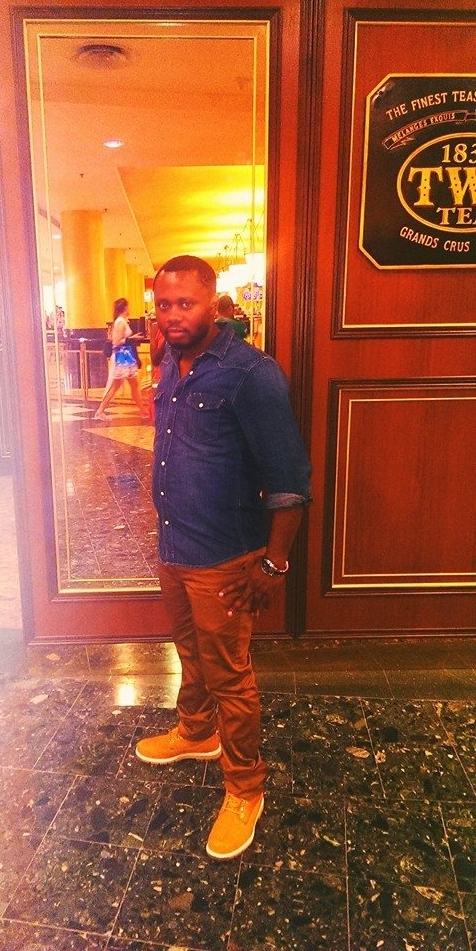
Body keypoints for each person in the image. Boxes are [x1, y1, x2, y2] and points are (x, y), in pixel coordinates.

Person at [135, 255, 312, 860]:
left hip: (224, 555)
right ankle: (195, 730)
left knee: (230, 675)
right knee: (190, 652)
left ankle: (245, 788)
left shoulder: (250, 374)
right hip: (174, 545)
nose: (172, 315)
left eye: (186, 303)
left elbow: (289, 481)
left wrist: (273, 564)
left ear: (213, 303)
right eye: (164, 304)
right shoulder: (169, 360)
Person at [94, 297, 143, 420]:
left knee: (131, 384)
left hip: (125, 357)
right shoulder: (120, 322)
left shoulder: (120, 321)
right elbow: (116, 341)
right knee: (120, 384)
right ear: (124, 308)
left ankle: (143, 410)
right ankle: (100, 410)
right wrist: (131, 338)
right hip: (123, 357)